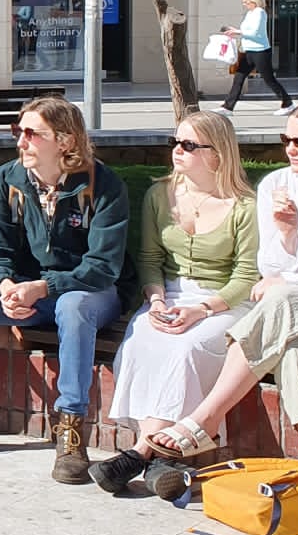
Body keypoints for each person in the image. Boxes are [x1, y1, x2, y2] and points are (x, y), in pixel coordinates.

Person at [140, 97, 298, 473]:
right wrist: (288, 235)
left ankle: (206, 419)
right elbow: (270, 269)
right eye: (287, 140)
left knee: (284, 299)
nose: (290, 150)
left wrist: (297, 279)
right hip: (293, 322)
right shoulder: (279, 185)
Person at [0, 97, 133, 478]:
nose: (21, 141)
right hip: (28, 291)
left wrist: (43, 286)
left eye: (33, 134)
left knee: (73, 307)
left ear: (66, 142)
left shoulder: (103, 185)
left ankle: (70, 430)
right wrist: (4, 284)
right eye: (19, 131)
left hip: (88, 292)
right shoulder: (6, 180)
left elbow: (103, 267)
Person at [89, 110, 260, 496]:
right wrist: (156, 300)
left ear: (217, 154)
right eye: (175, 142)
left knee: (188, 347)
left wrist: (203, 309)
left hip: (226, 301)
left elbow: (247, 276)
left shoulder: (245, 207)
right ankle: (161, 460)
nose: (176, 151)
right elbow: (149, 260)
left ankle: (138, 453)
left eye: (188, 145)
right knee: (142, 341)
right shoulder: (158, 194)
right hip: (168, 294)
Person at [220, 0, 293, 115]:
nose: (244, 5)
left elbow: (254, 33)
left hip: (260, 52)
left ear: (253, 1)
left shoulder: (260, 13)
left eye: (246, 2)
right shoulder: (250, 13)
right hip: (249, 51)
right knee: (239, 78)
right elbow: (246, 31)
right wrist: (235, 30)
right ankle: (228, 107)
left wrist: (237, 32)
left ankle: (287, 103)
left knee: (269, 79)